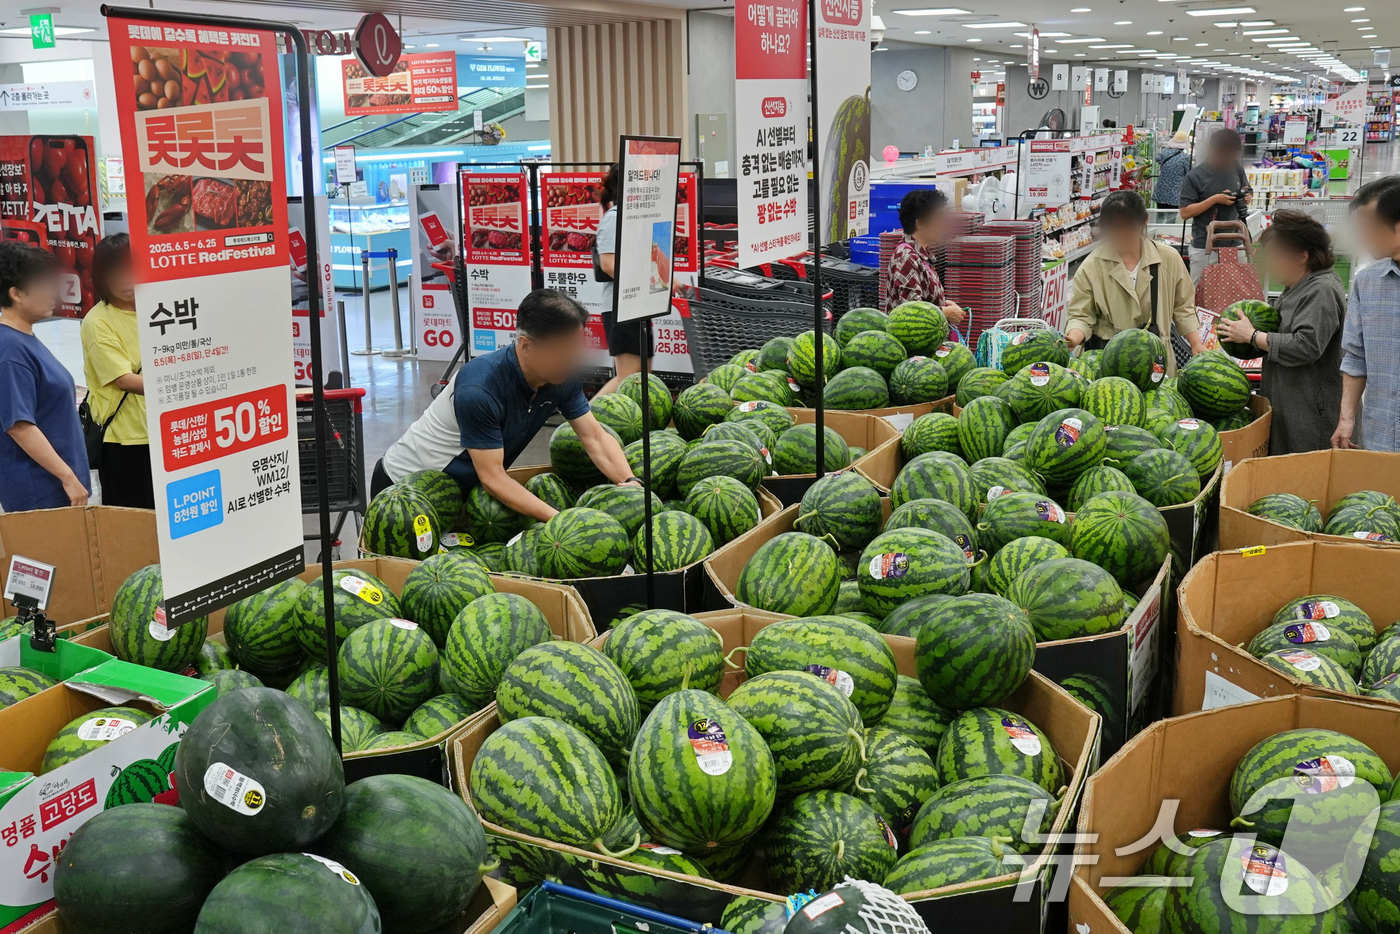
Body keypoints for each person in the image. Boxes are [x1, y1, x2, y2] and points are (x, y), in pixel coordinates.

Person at [376, 289, 639, 519]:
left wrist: (630, 482)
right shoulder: (479, 389)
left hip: (462, 494)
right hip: (405, 491)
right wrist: (561, 520)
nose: (572, 360)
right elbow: (493, 478)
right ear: (525, 346)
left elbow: (594, 437)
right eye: (562, 350)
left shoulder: (562, 377)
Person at [1216, 210, 1344, 455]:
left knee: (1305, 476)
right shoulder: (1296, 287)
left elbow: (1306, 346)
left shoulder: (1321, 290)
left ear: (1301, 256)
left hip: (1310, 410)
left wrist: (1252, 336)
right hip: (1291, 402)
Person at [1065, 190, 1204, 372]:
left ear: (1143, 223)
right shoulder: (1092, 266)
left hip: (1156, 360)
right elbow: (1081, 315)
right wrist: (1073, 338)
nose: (1120, 235)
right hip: (1108, 359)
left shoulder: (1168, 259)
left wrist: (1196, 343)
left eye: (1127, 228)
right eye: (1113, 228)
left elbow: (1183, 307)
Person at [0, 241, 89, 511]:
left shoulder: (24, 338)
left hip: (57, 483)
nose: (53, 292)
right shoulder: (10, 350)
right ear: (16, 293)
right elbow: (19, 426)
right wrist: (67, 477)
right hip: (41, 489)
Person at [80, 234, 153, 509]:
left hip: (165, 429)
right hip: (124, 437)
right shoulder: (97, 322)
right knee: (133, 518)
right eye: (116, 274)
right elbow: (124, 380)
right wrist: (181, 387)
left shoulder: (158, 309)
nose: (126, 281)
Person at [1333, 176, 1400, 452]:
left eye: (1369, 228)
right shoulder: (1367, 282)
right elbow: (1356, 356)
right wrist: (1346, 419)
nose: (1362, 237)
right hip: (1380, 436)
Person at [593, 164, 651, 395]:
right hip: (621, 307)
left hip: (639, 305)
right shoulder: (613, 219)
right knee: (629, 379)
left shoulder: (635, 217)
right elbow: (608, 264)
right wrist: (642, 278)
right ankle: (583, 423)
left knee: (644, 377)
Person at [883, 188, 966, 327]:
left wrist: (943, 304)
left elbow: (921, 299)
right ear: (919, 223)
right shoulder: (905, 256)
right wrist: (944, 312)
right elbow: (911, 310)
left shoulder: (921, 256)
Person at [1179, 128, 1252, 284]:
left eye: (1233, 154)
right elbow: (1185, 212)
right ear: (1213, 149)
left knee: (1237, 295)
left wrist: (1246, 195)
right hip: (1205, 246)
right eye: (1226, 153)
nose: (1230, 158)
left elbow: (1246, 188)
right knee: (1200, 295)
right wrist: (1214, 200)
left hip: (1235, 242)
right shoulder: (1195, 176)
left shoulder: (1235, 167)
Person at [1153, 133, 1191, 209]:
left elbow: (1157, 159)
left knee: (1160, 216)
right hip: (1175, 194)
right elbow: (1189, 173)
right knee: (1171, 218)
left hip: (1161, 192)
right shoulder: (1185, 158)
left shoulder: (1164, 153)